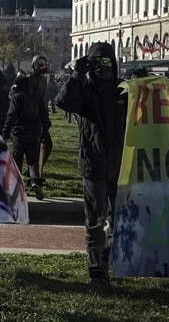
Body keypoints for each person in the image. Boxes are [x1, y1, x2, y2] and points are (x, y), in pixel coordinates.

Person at [55, 42, 128, 295]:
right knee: (95, 221)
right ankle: (96, 271)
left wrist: (145, 83)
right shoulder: (85, 89)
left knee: (120, 219)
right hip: (93, 165)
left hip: (121, 166)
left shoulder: (124, 90)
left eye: (106, 62)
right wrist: (76, 75)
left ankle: (107, 256)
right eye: (96, 63)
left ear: (113, 63)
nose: (101, 67)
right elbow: (63, 101)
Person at [5, 56, 51, 200]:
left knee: (17, 159)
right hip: (34, 131)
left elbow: (11, 116)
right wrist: (45, 128)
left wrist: (5, 132)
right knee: (33, 160)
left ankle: (16, 187)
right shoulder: (37, 97)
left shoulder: (17, 98)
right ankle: (34, 181)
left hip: (19, 132)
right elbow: (44, 114)